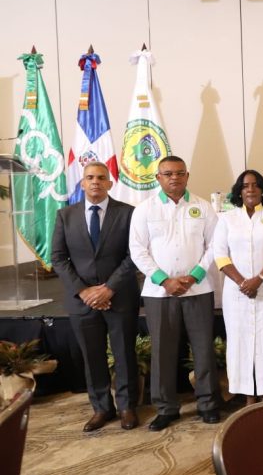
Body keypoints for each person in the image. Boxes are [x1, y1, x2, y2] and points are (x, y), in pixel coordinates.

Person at [128, 156, 219, 431]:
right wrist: (163, 280)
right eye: (168, 174)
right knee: (162, 351)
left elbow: (215, 245)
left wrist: (195, 275)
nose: (174, 178)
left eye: (179, 173)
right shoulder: (144, 210)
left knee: (203, 349)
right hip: (160, 293)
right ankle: (166, 408)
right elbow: (137, 250)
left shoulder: (203, 207)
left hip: (198, 289)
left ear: (187, 176)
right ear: (158, 178)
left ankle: (207, 404)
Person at [51, 162, 140, 432]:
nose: (95, 182)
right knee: (92, 357)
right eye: (90, 177)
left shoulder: (128, 213)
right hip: (82, 301)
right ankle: (102, 408)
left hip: (119, 296)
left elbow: (134, 255)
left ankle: (127, 407)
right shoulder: (65, 215)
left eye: (101, 177)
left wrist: (108, 288)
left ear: (110, 183)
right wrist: (84, 291)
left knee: (124, 353)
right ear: (82, 183)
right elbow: (58, 258)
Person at [212, 169, 263, 406]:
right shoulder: (227, 218)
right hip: (236, 293)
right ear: (239, 191)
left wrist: (259, 279)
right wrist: (242, 282)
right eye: (245, 186)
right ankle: (248, 398)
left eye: (255, 185)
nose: (251, 189)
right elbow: (220, 254)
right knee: (239, 342)